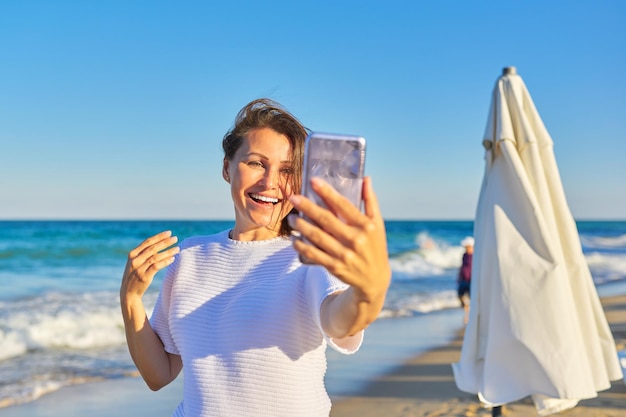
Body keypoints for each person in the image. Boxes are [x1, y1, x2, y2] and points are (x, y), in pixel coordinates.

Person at [120, 98, 391, 417]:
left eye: (287, 170)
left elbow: (342, 320)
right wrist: (130, 298)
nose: (270, 182)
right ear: (226, 167)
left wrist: (370, 290)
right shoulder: (190, 256)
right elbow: (159, 374)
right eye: (256, 163)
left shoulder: (308, 257)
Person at [457, 236, 474, 324]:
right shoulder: (465, 255)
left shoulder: (475, 256)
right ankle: (466, 310)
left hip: (471, 280)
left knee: (472, 298)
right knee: (460, 295)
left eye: (467, 246)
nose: (466, 248)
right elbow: (462, 266)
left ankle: (468, 316)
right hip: (464, 279)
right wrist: (459, 277)